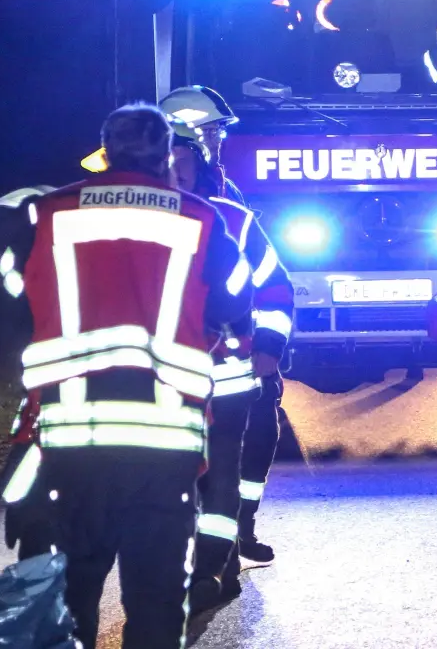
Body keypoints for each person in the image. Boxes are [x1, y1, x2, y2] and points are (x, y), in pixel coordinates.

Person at [17, 104, 254, 649]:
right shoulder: (200, 217)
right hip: (164, 444)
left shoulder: (51, 212)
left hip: (70, 439)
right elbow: (237, 302)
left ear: (107, 150)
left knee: (68, 592)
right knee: (155, 597)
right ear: (167, 154)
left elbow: (13, 306)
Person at [169, 127, 293, 612]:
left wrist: (269, 347)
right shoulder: (137, 220)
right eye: (167, 167)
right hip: (163, 380)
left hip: (231, 372)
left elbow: (275, 290)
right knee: (180, 479)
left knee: (231, 470)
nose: (176, 176)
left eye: (184, 167)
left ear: (201, 172)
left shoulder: (233, 221)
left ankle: (224, 556)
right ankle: (194, 566)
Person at [0, 186, 55, 561]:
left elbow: (20, 303)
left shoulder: (28, 232)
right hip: (45, 358)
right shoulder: (15, 232)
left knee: (39, 443)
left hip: (56, 362)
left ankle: (25, 510)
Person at [159, 85, 246, 204]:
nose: (217, 142)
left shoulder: (227, 189)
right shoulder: (158, 193)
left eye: (218, 131)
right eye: (207, 131)